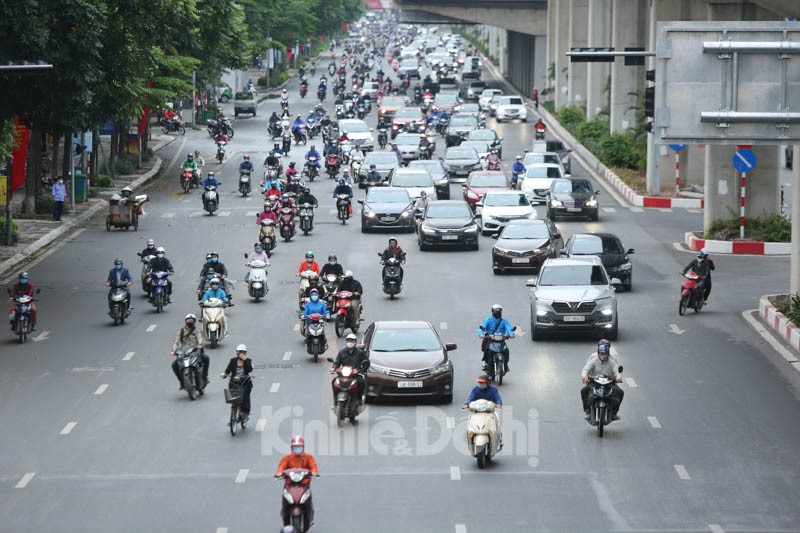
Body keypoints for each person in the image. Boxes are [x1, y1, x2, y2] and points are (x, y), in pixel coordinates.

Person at [275, 436, 319, 528]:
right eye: (295, 447)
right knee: (285, 502)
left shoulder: (308, 457)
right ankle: (285, 516)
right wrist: (279, 473)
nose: (297, 449)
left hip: (304, 485)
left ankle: (309, 514)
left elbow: (313, 465)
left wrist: (314, 472)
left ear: (303, 447)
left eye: (299, 447)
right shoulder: (287, 458)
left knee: (307, 501)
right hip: (289, 485)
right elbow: (281, 466)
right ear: (291, 448)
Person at [581, 339, 623, 420]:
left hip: (609, 381)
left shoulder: (612, 361)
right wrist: (585, 377)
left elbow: (617, 372)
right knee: (583, 391)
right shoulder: (593, 359)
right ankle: (587, 410)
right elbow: (586, 369)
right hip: (594, 381)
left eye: (605, 353)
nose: (603, 355)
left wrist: (618, 378)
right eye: (601, 353)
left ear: (608, 352)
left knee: (620, 392)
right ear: (598, 352)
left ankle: (614, 412)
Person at [170, 314, 209, 388]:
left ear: (194, 322)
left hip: (195, 351)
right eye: (188, 320)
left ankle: (204, 377)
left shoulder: (197, 330)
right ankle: (181, 381)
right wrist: (173, 351)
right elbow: (176, 342)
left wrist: (200, 344)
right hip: (184, 352)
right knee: (174, 365)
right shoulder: (181, 331)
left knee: (206, 358)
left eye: (192, 320)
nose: (190, 321)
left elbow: (200, 338)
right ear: (185, 321)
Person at [331, 333, 369, 401]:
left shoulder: (360, 353)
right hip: (344, 374)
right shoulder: (341, 352)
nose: (350, 342)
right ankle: (335, 399)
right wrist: (333, 368)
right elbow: (337, 362)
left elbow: (366, 362)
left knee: (361, 383)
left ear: (355, 342)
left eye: (352, 341)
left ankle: (358, 399)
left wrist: (361, 370)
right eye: (348, 340)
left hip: (355, 375)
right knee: (334, 381)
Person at [478, 304, 515, 373]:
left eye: (499, 312)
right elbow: (482, 327)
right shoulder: (488, 320)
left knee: (506, 351)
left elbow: (509, 328)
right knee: (486, 350)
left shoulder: (504, 321)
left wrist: (511, 334)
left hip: (501, 341)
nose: (498, 313)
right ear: (492, 311)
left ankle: (506, 365)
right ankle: (486, 363)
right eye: (496, 311)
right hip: (491, 340)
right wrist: (481, 334)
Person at [221, 344, 253, 421]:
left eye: (243, 352)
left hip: (244, 382)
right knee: (233, 392)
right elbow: (228, 370)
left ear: (245, 353)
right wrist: (224, 374)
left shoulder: (248, 361)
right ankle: (235, 410)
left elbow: (249, 369)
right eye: (240, 352)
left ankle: (245, 411)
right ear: (237, 352)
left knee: (245, 392)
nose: (241, 354)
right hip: (234, 382)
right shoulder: (233, 361)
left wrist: (245, 360)